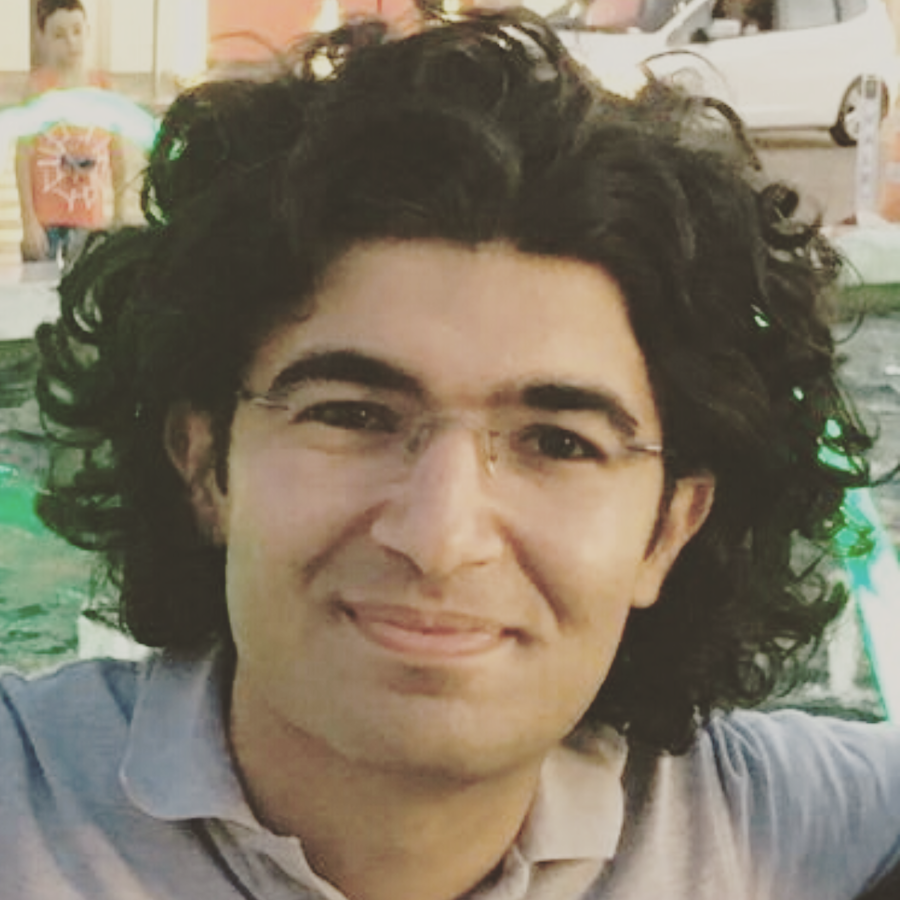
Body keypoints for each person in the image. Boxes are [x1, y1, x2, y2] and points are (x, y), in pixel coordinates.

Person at [3, 9, 900, 899]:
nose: (440, 536)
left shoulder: (778, 832)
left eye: (559, 443)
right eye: (352, 415)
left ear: (668, 529)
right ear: (205, 463)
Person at [14, 0, 126, 266]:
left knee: (85, 285)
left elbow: (118, 156)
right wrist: (29, 221)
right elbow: (23, 158)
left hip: (90, 221)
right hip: (45, 222)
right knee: (38, 287)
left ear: (88, 31)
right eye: (59, 35)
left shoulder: (105, 89)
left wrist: (119, 214)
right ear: (43, 38)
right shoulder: (37, 90)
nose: (71, 43)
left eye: (77, 31)